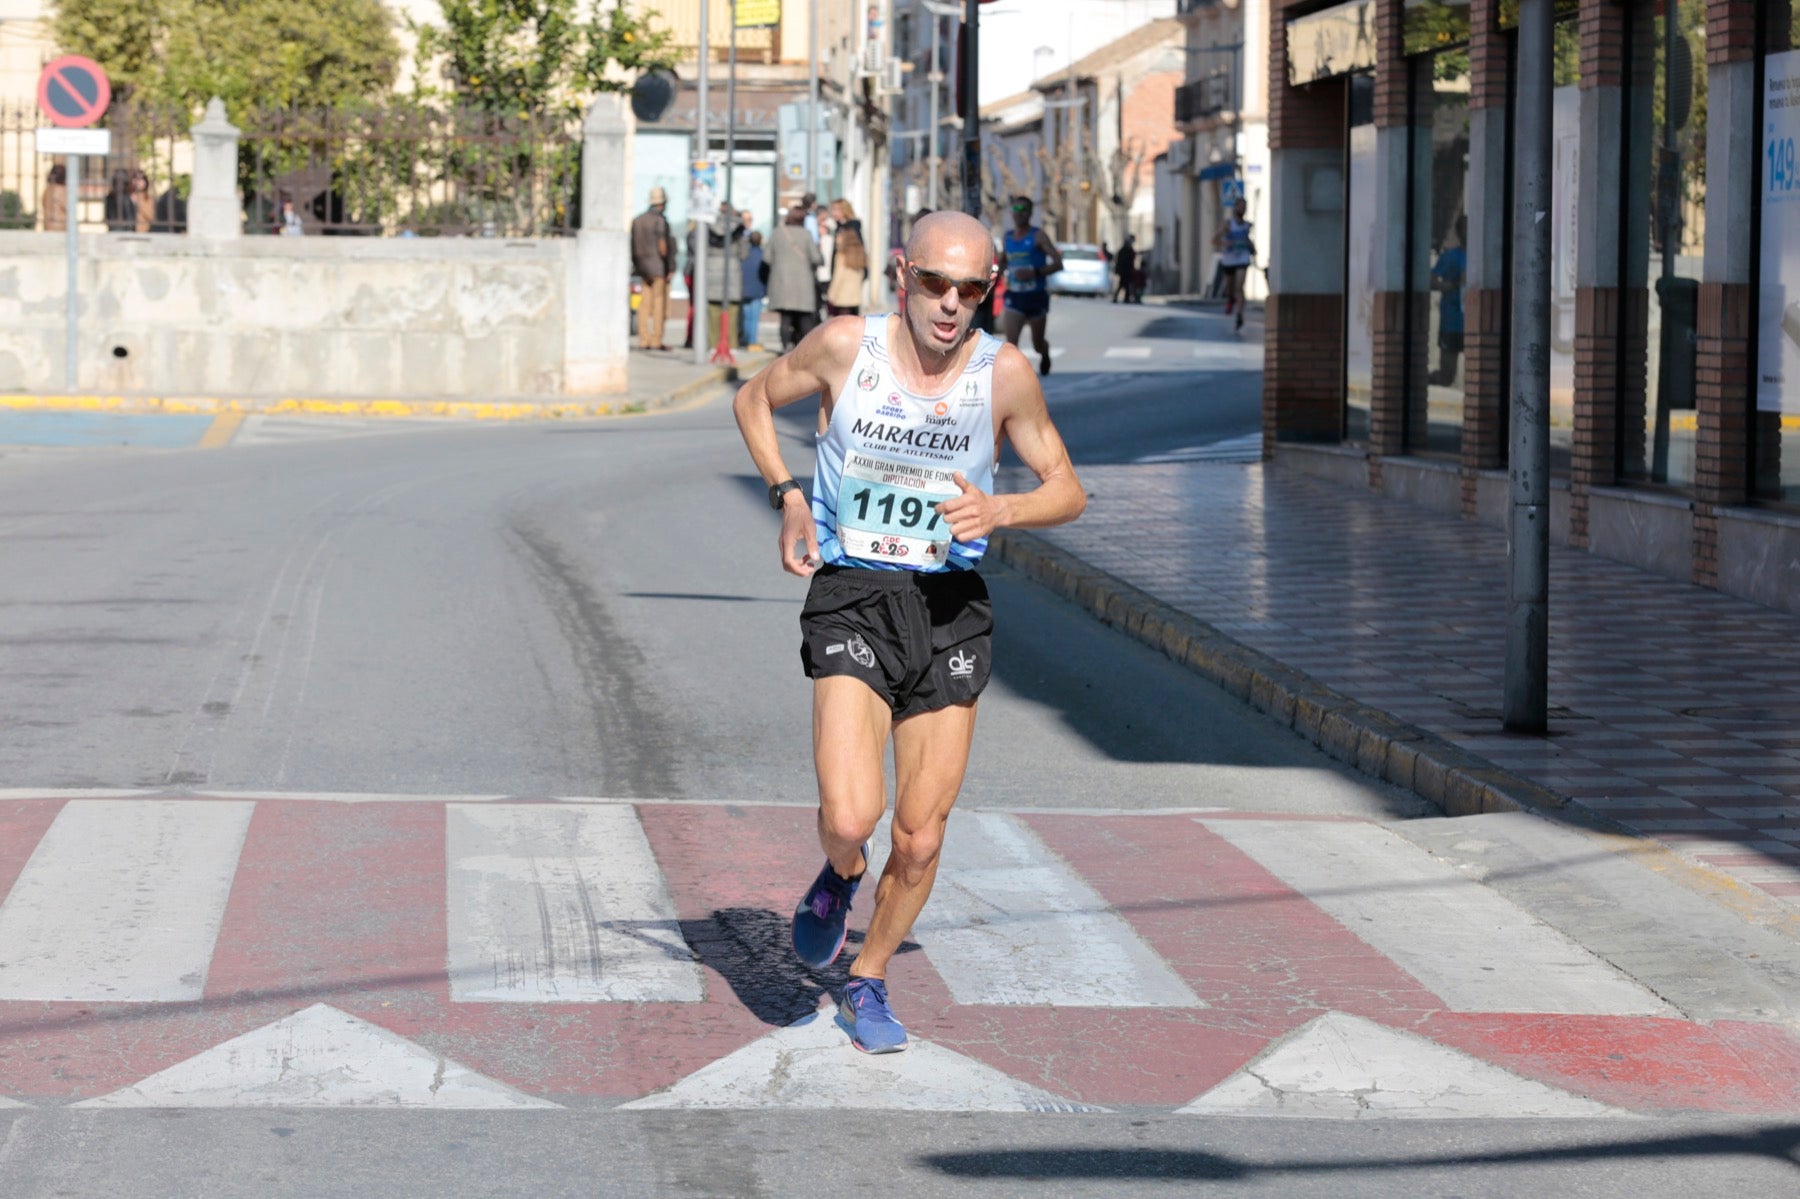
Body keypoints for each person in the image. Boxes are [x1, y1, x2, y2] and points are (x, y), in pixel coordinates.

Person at [731, 210, 1086, 1054]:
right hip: (854, 591)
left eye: (972, 288)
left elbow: (1067, 488)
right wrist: (787, 493)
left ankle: (870, 977)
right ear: (902, 274)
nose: (951, 303)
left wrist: (1003, 506)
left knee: (922, 834)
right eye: (935, 283)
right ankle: (841, 872)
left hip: (948, 604)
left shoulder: (1004, 374)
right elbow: (752, 399)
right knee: (853, 816)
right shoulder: (846, 345)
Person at [1000, 196, 1063, 377]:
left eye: (1023, 210)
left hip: (1035, 297)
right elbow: (1004, 261)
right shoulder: (1008, 237)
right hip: (1014, 296)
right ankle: (1014, 379)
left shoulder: (1038, 236)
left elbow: (1058, 263)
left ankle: (1045, 352)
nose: (1018, 214)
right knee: (1010, 345)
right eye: (1015, 210)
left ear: (1030, 213)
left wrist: (1034, 273)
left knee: (1037, 344)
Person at [768, 205, 825, 351]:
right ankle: (805, 350)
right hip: (803, 284)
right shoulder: (806, 234)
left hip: (782, 282)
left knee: (785, 319)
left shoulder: (777, 233)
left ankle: (785, 348)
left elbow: (767, 257)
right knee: (805, 319)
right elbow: (816, 258)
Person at [631, 186, 674, 351]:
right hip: (657, 268)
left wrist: (638, 265)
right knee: (658, 304)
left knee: (644, 304)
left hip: (642, 267)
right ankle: (656, 338)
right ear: (662, 204)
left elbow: (633, 246)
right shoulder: (660, 221)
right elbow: (663, 247)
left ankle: (644, 338)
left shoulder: (637, 220)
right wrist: (669, 266)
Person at [1429, 214, 1468, 387]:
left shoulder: (1485, 259)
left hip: (1476, 325)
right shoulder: (1450, 256)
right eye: (1466, 229)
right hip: (1452, 322)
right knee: (1447, 377)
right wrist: (1453, 285)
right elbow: (1431, 281)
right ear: (1461, 232)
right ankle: (1414, 380)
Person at [1214, 197, 1255, 331]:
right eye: (1240, 206)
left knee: (1239, 286)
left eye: (1244, 206)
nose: (1242, 209)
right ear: (1235, 208)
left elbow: (1247, 240)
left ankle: (1239, 315)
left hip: (1242, 259)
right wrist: (1225, 243)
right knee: (1230, 288)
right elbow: (1214, 240)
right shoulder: (1227, 224)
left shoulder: (1247, 225)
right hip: (1229, 260)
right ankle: (1230, 299)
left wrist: (1252, 247)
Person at [826, 198, 868, 317]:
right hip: (850, 275)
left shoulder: (850, 227)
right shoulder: (840, 226)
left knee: (844, 314)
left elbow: (859, 249)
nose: (834, 213)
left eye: (836, 210)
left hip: (847, 273)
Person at [741, 229, 768, 351]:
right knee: (754, 317)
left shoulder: (744, 255)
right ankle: (752, 341)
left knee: (746, 316)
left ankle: (746, 339)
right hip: (758, 289)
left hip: (744, 288)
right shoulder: (763, 255)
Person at [1112, 235, 1138, 304]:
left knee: (1125, 285)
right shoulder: (1126, 249)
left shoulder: (1127, 249)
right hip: (1125, 270)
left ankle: (1125, 298)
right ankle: (1121, 298)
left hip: (1126, 270)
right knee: (1123, 284)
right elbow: (1122, 260)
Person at [41, 164, 66, 233]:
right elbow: (68, 207)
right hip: (60, 226)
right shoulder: (61, 189)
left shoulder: (47, 190)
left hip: (47, 225)